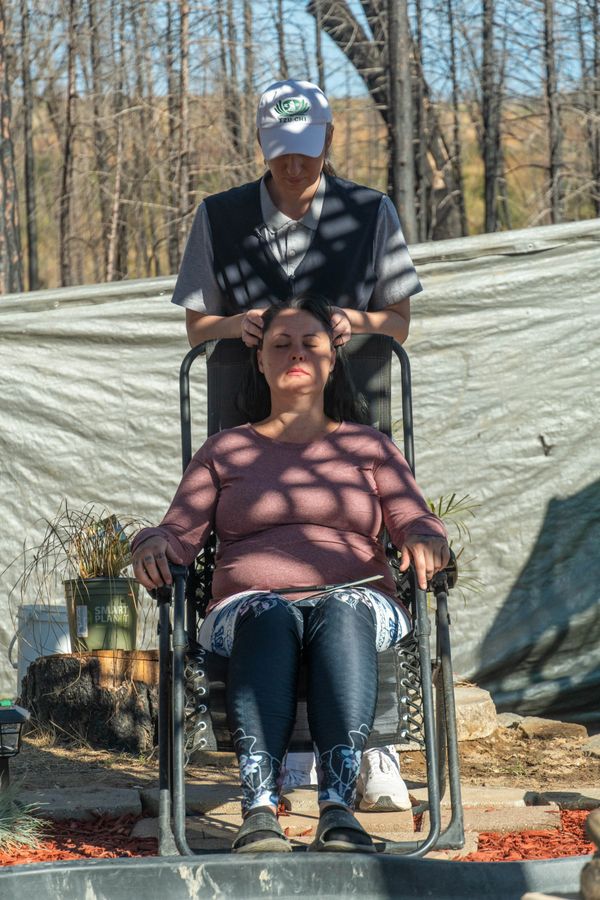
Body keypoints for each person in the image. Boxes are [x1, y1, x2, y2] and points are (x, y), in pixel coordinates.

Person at [171, 77, 425, 809]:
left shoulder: (369, 211)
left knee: (352, 566)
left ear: (329, 141)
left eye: (307, 152)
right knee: (267, 584)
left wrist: (353, 321)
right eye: (282, 152)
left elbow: (399, 321)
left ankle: (371, 749)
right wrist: (240, 324)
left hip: (353, 408)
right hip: (248, 413)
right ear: (261, 144)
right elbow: (196, 325)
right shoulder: (220, 216)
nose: (295, 166)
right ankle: (285, 759)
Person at [132, 296, 449, 853]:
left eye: (310, 343)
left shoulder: (369, 446)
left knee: (342, 608)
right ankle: (259, 810)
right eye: (281, 344)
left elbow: (413, 517)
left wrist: (426, 537)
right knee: (269, 612)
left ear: (331, 359)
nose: (296, 354)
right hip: (248, 607)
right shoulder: (225, 450)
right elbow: (177, 530)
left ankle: (338, 809)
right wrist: (151, 542)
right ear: (260, 361)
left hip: (358, 601)